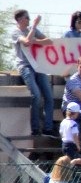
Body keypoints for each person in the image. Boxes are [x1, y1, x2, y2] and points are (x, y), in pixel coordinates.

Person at [12, 10, 56, 138]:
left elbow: (49, 41)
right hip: (25, 66)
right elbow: (25, 41)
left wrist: (35, 41)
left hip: (38, 65)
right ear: (20, 19)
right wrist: (35, 27)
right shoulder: (16, 32)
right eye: (27, 18)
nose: (29, 20)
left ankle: (48, 128)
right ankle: (35, 128)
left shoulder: (32, 29)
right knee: (36, 95)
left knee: (49, 96)